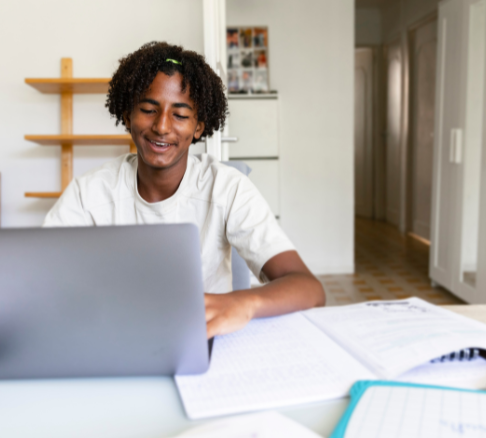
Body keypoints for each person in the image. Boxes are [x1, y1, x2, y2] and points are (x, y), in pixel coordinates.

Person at [44, 41, 325, 338]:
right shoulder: (89, 193)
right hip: (113, 335)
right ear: (128, 117)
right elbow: (42, 279)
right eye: (149, 109)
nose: (162, 126)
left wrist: (242, 303)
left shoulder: (227, 188)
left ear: (199, 127)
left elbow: (309, 289)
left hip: (203, 338)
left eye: (180, 115)